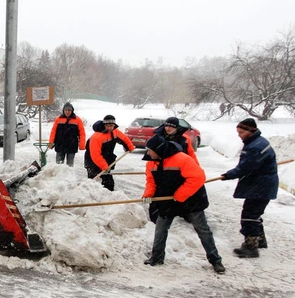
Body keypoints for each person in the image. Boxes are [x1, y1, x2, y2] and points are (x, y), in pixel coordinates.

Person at [142, 136, 225, 274]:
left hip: (191, 200)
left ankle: (215, 260)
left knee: (202, 230)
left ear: (158, 149)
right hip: (167, 200)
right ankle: (157, 257)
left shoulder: (182, 159)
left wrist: (180, 195)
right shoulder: (151, 163)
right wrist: (148, 194)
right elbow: (151, 181)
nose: (148, 153)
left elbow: (198, 177)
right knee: (161, 228)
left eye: (150, 150)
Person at [220, 118, 278, 258]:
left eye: (241, 132)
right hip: (263, 183)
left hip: (261, 185)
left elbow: (246, 167)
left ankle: (251, 247)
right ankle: (260, 241)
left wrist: (229, 175)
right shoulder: (257, 142)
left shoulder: (255, 147)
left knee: (249, 215)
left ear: (250, 131)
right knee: (254, 213)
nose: (239, 135)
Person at [84, 114, 135, 191]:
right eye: (107, 125)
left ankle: (108, 195)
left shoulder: (115, 132)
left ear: (114, 125)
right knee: (93, 182)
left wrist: (130, 147)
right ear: (104, 125)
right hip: (92, 161)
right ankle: (90, 196)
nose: (109, 128)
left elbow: (124, 139)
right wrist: (104, 166)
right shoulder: (96, 137)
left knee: (108, 183)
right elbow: (95, 154)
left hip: (107, 159)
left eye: (111, 125)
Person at [48, 102, 86, 166]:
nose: (67, 112)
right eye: (66, 110)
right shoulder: (58, 119)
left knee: (69, 165)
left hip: (72, 145)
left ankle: (69, 176)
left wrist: (82, 145)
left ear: (72, 111)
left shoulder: (77, 120)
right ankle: (59, 176)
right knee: (58, 165)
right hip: (60, 145)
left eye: (69, 110)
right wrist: (51, 143)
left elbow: (82, 133)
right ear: (63, 110)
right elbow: (53, 131)